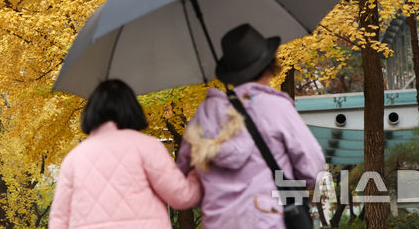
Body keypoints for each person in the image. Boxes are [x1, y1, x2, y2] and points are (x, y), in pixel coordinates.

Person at [177, 24, 325, 229]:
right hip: (268, 218)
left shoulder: (205, 114)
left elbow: (183, 169)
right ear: (270, 64)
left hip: (218, 221)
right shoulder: (275, 106)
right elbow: (312, 166)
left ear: (231, 73)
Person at [49, 79, 203, 229]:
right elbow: (181, 197)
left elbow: (58, 219)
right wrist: (199, 172)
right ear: (132, 108)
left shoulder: (74, 158)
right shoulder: (147, 147)